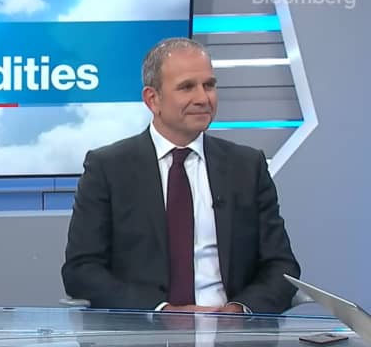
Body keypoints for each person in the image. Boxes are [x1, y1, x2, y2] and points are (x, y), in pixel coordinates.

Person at [61, 37, 300, 314]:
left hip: (231, 329)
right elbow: (81, 271)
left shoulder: (247, 166)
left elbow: (281, 266)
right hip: (143, 328)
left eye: (209, 85)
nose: (203, 98)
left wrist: (238, 311)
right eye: (187, 87)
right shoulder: (108, 168)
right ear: (153, 99)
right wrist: (162, 312)